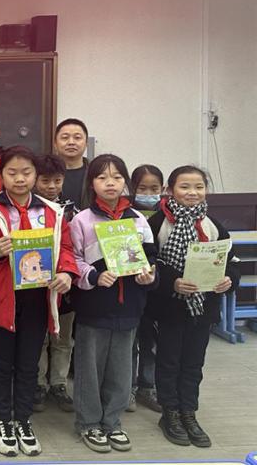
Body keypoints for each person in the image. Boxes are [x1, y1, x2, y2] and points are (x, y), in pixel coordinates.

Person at [0, 147, 78, 457]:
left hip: (39, 297)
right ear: (0, 176)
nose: (20, 179)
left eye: (26, 172)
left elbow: (65, 248)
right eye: (12, 173)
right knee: (2, 364)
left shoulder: (52, 211)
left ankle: (24, 420)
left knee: (29, 364)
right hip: (2, 296)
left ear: (36, 176)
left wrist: (66, 272)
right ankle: (4, 420)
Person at [69, 155, 159, 453]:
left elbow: (150, 258)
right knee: (89, 369)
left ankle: (113, 422)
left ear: (125, 182)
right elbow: (73, 260)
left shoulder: (138, 220)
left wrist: (150, 275)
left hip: (129, 306)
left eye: (117, 177)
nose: (110, 183)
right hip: (94, 307)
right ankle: (88, 422)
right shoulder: (81, 220)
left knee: (121, 370)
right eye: (103, 177)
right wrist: (94, 276)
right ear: (91, 183)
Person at [147, 165, 239, 448]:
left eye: (199, 187)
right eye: (184, 186)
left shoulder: (213, 225)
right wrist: (172, 282)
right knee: (168, 361)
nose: (192, 192)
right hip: (169, 309)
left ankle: (189, 412)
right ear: (170, 190)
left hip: (204, 309)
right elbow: (149, 263)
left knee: (193, 364)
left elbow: (231, 262)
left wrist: (229, 280)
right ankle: (170, 413)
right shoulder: (157, 223)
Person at [32, 153, 76, 413]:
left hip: (65, 285)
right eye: (45, 181)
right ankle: (38, 383)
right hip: (36, 285)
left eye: (57, 181)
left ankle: (59, 383)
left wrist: (69, 273)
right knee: (39, 338)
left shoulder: (72, 210)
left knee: (62, 338)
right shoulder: (29, 209)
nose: (51, 186)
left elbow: (74, 248)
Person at [128, 164, 165, 414]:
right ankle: (128, 387)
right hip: (132, 287)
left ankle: (147, 386)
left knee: (151, 342)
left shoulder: (167, 216)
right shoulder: (126, 215)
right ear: (133, 188)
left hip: (158, 289)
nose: (149, 193)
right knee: (130, 342)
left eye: (154, 188)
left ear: (163, 189)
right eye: (142, 188)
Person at [54, 118, 90, 212]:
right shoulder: (43, 172)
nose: (71, 142)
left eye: (77, 138)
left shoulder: (96, 172)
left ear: (86, 143)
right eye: (65, 138)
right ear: (55, 144)